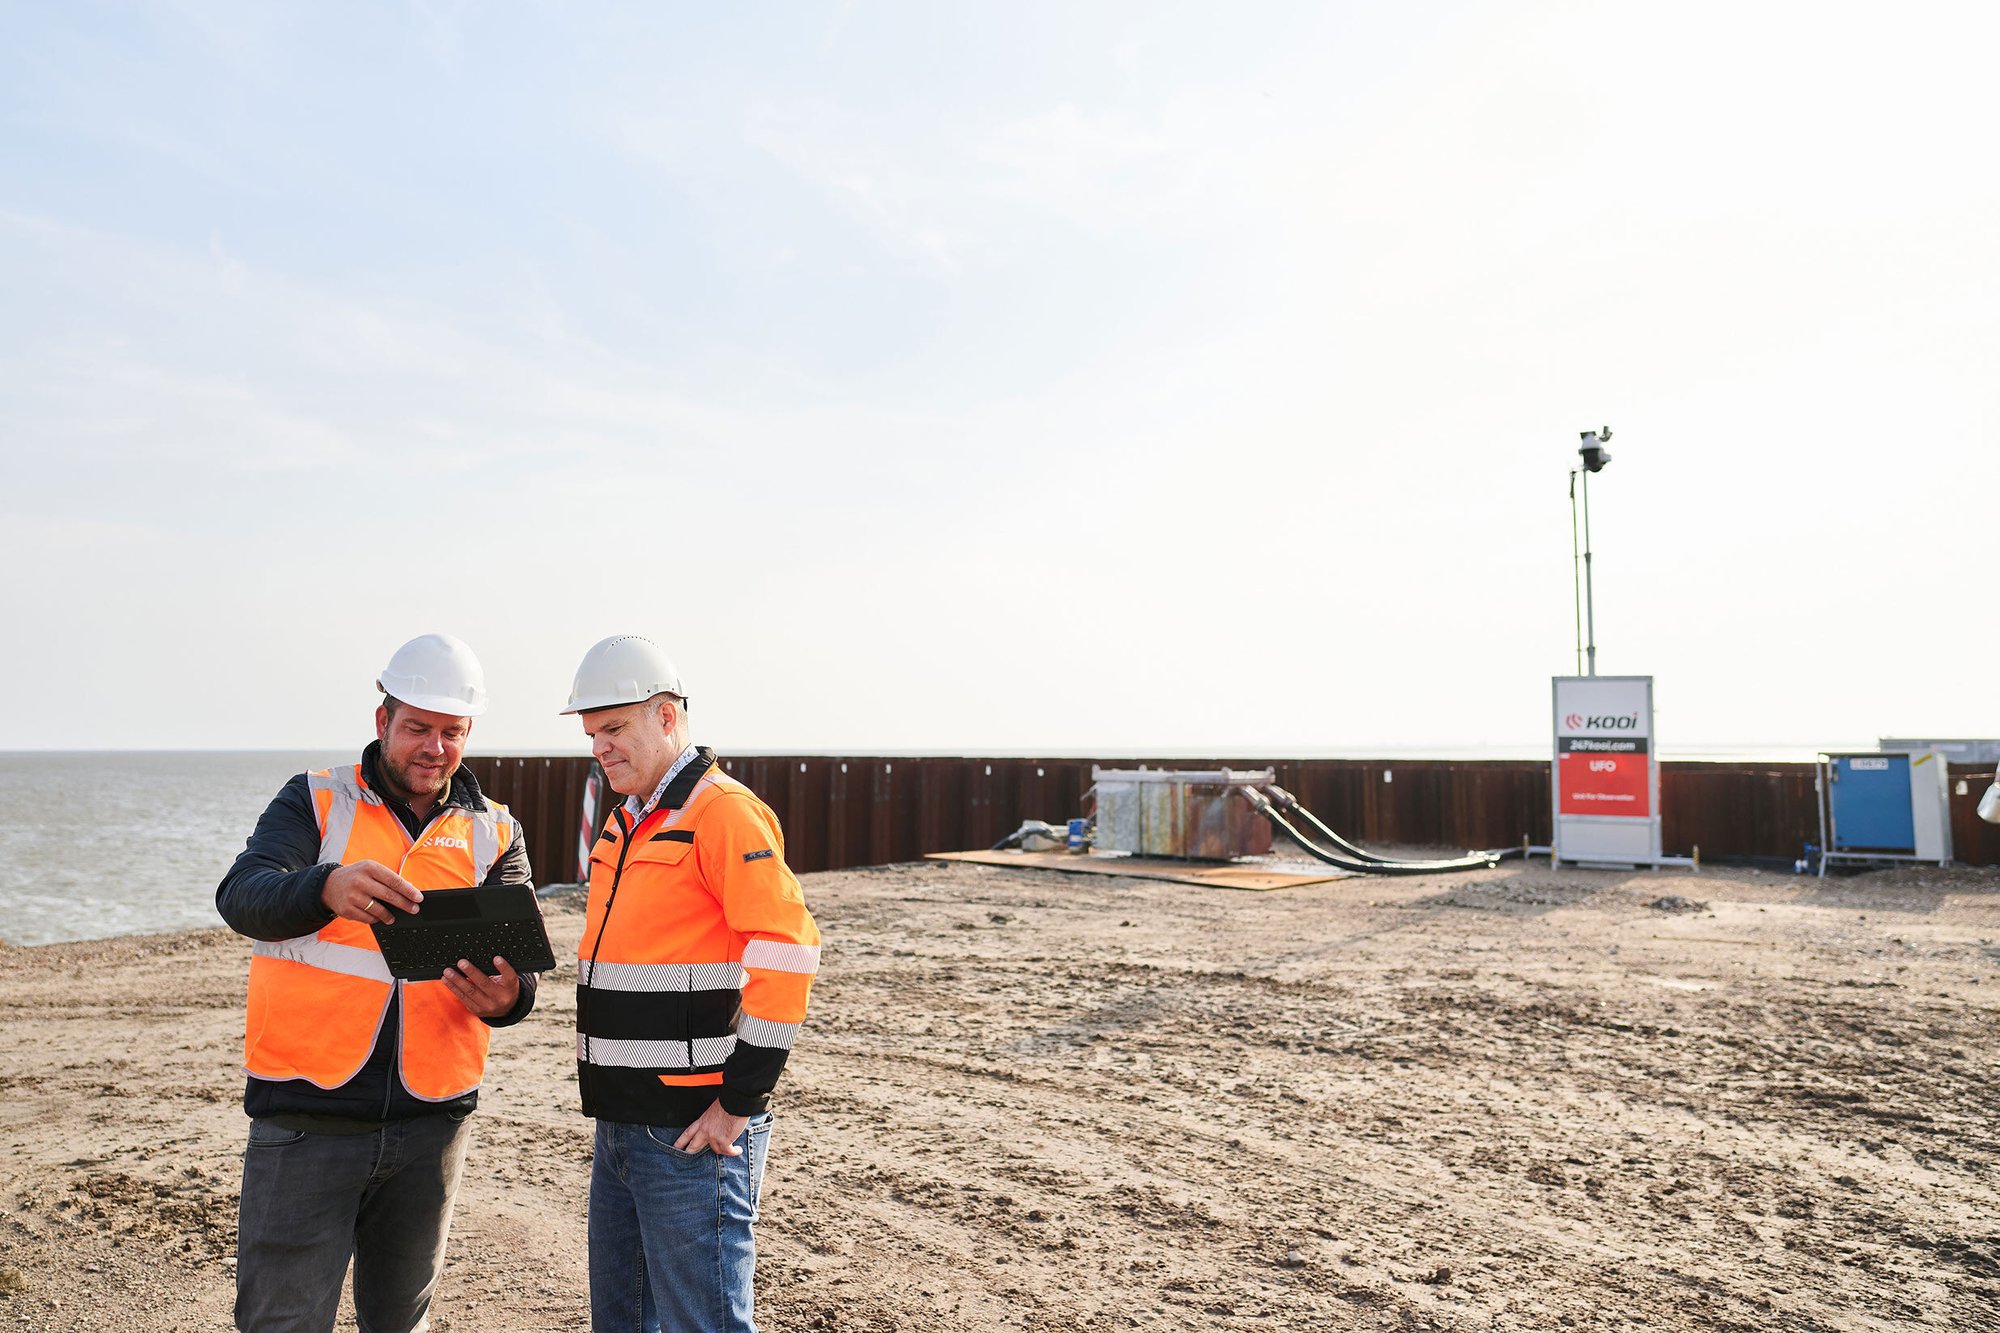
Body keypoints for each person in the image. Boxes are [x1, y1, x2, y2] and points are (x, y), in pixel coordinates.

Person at [216, 633, 537, 1333]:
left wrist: (511, 998)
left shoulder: (495, 830)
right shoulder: (316, 800)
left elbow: (521, 965)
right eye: (418, 727)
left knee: (401, 1323)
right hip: (308, 1118)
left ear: (469, 733)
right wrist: (325, 885)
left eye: (451, 732)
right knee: (283, 1322)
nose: (434, 747)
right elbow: (242, 895)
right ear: (382, 720)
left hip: (432, 1122)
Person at [562, 634, 820, 1333]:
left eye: (615, 728)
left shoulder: (723, 812)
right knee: (623, 1321)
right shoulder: (627, 821)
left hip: (693, 1131)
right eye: (592, 733)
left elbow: (788, 951)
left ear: (667, 716)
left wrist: (740, 1100)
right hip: (620, 1123)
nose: (600, 746)